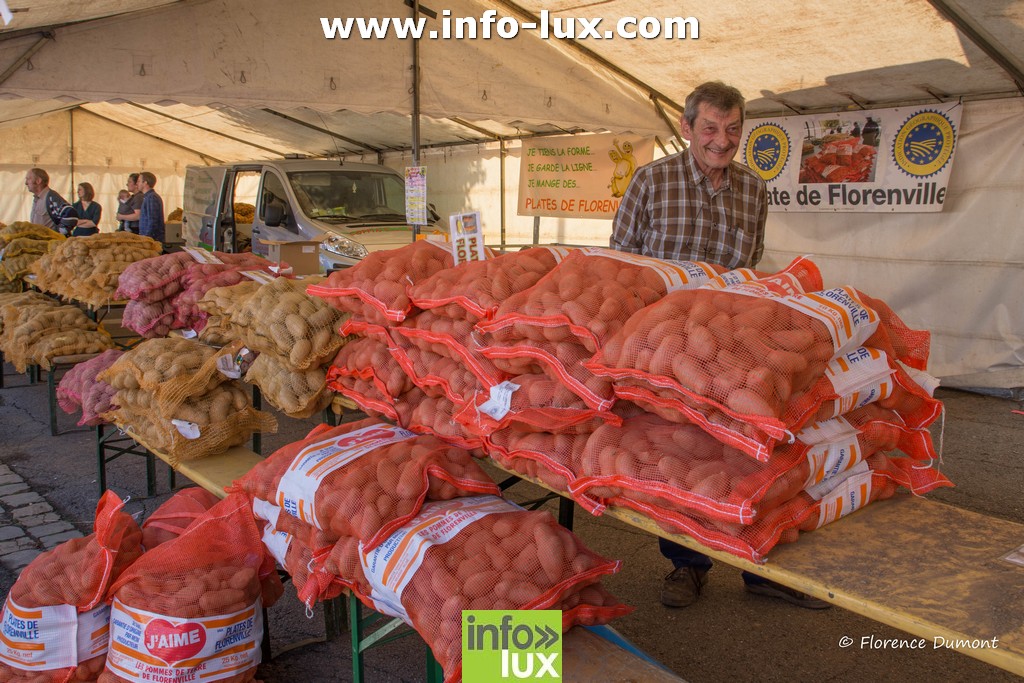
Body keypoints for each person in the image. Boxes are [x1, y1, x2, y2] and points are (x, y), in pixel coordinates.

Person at [610, 81, 829, 611]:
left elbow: (750, 269)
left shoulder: (754, 190)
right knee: (681, 453)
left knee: (745, 450)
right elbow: (621, 265)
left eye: (732, 129)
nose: (721, 140)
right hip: (667, 352)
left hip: (732, 346)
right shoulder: (651, 181)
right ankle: (687, 564)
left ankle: (759, 562)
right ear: (686, 129)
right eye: (709, 128)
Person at [24, 168, 77, 234]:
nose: (26, 183)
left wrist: (58, 234)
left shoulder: (51, 197)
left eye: (28, 179)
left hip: (50, 243)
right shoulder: (38, 198)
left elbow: (71, 215)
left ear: (38, 181)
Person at [137, 171, 165, 244]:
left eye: (139, 181)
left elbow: (153, 220)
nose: (137, 183)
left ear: (145, 183)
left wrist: (147, 238)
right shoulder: (147, 197)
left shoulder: (152, 197)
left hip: (152, 240)